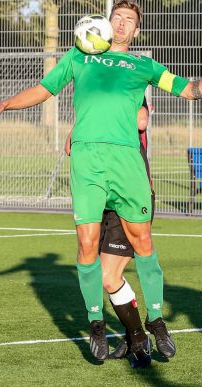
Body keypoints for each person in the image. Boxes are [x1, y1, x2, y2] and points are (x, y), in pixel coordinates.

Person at [0, 0, 202, 364]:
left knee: (144, 240)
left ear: (137, 30)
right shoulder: (79, 56)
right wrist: (4, 105)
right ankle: (96, 324)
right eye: (116, 17)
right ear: (106, 22)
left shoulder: (144, 65)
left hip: (126, 159)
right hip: (88, 158)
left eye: (129, 20)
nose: (121, 23)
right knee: (86, 243)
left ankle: (156, 320)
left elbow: (187, 89)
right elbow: (44, 89)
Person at [64, 99, 162, 368]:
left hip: (128, 196)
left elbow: (141, 120)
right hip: (102, 196)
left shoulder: (128, 91)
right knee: (108, 277)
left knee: (109, 276)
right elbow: (69, 147)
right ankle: (136, 338)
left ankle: (140, 337)